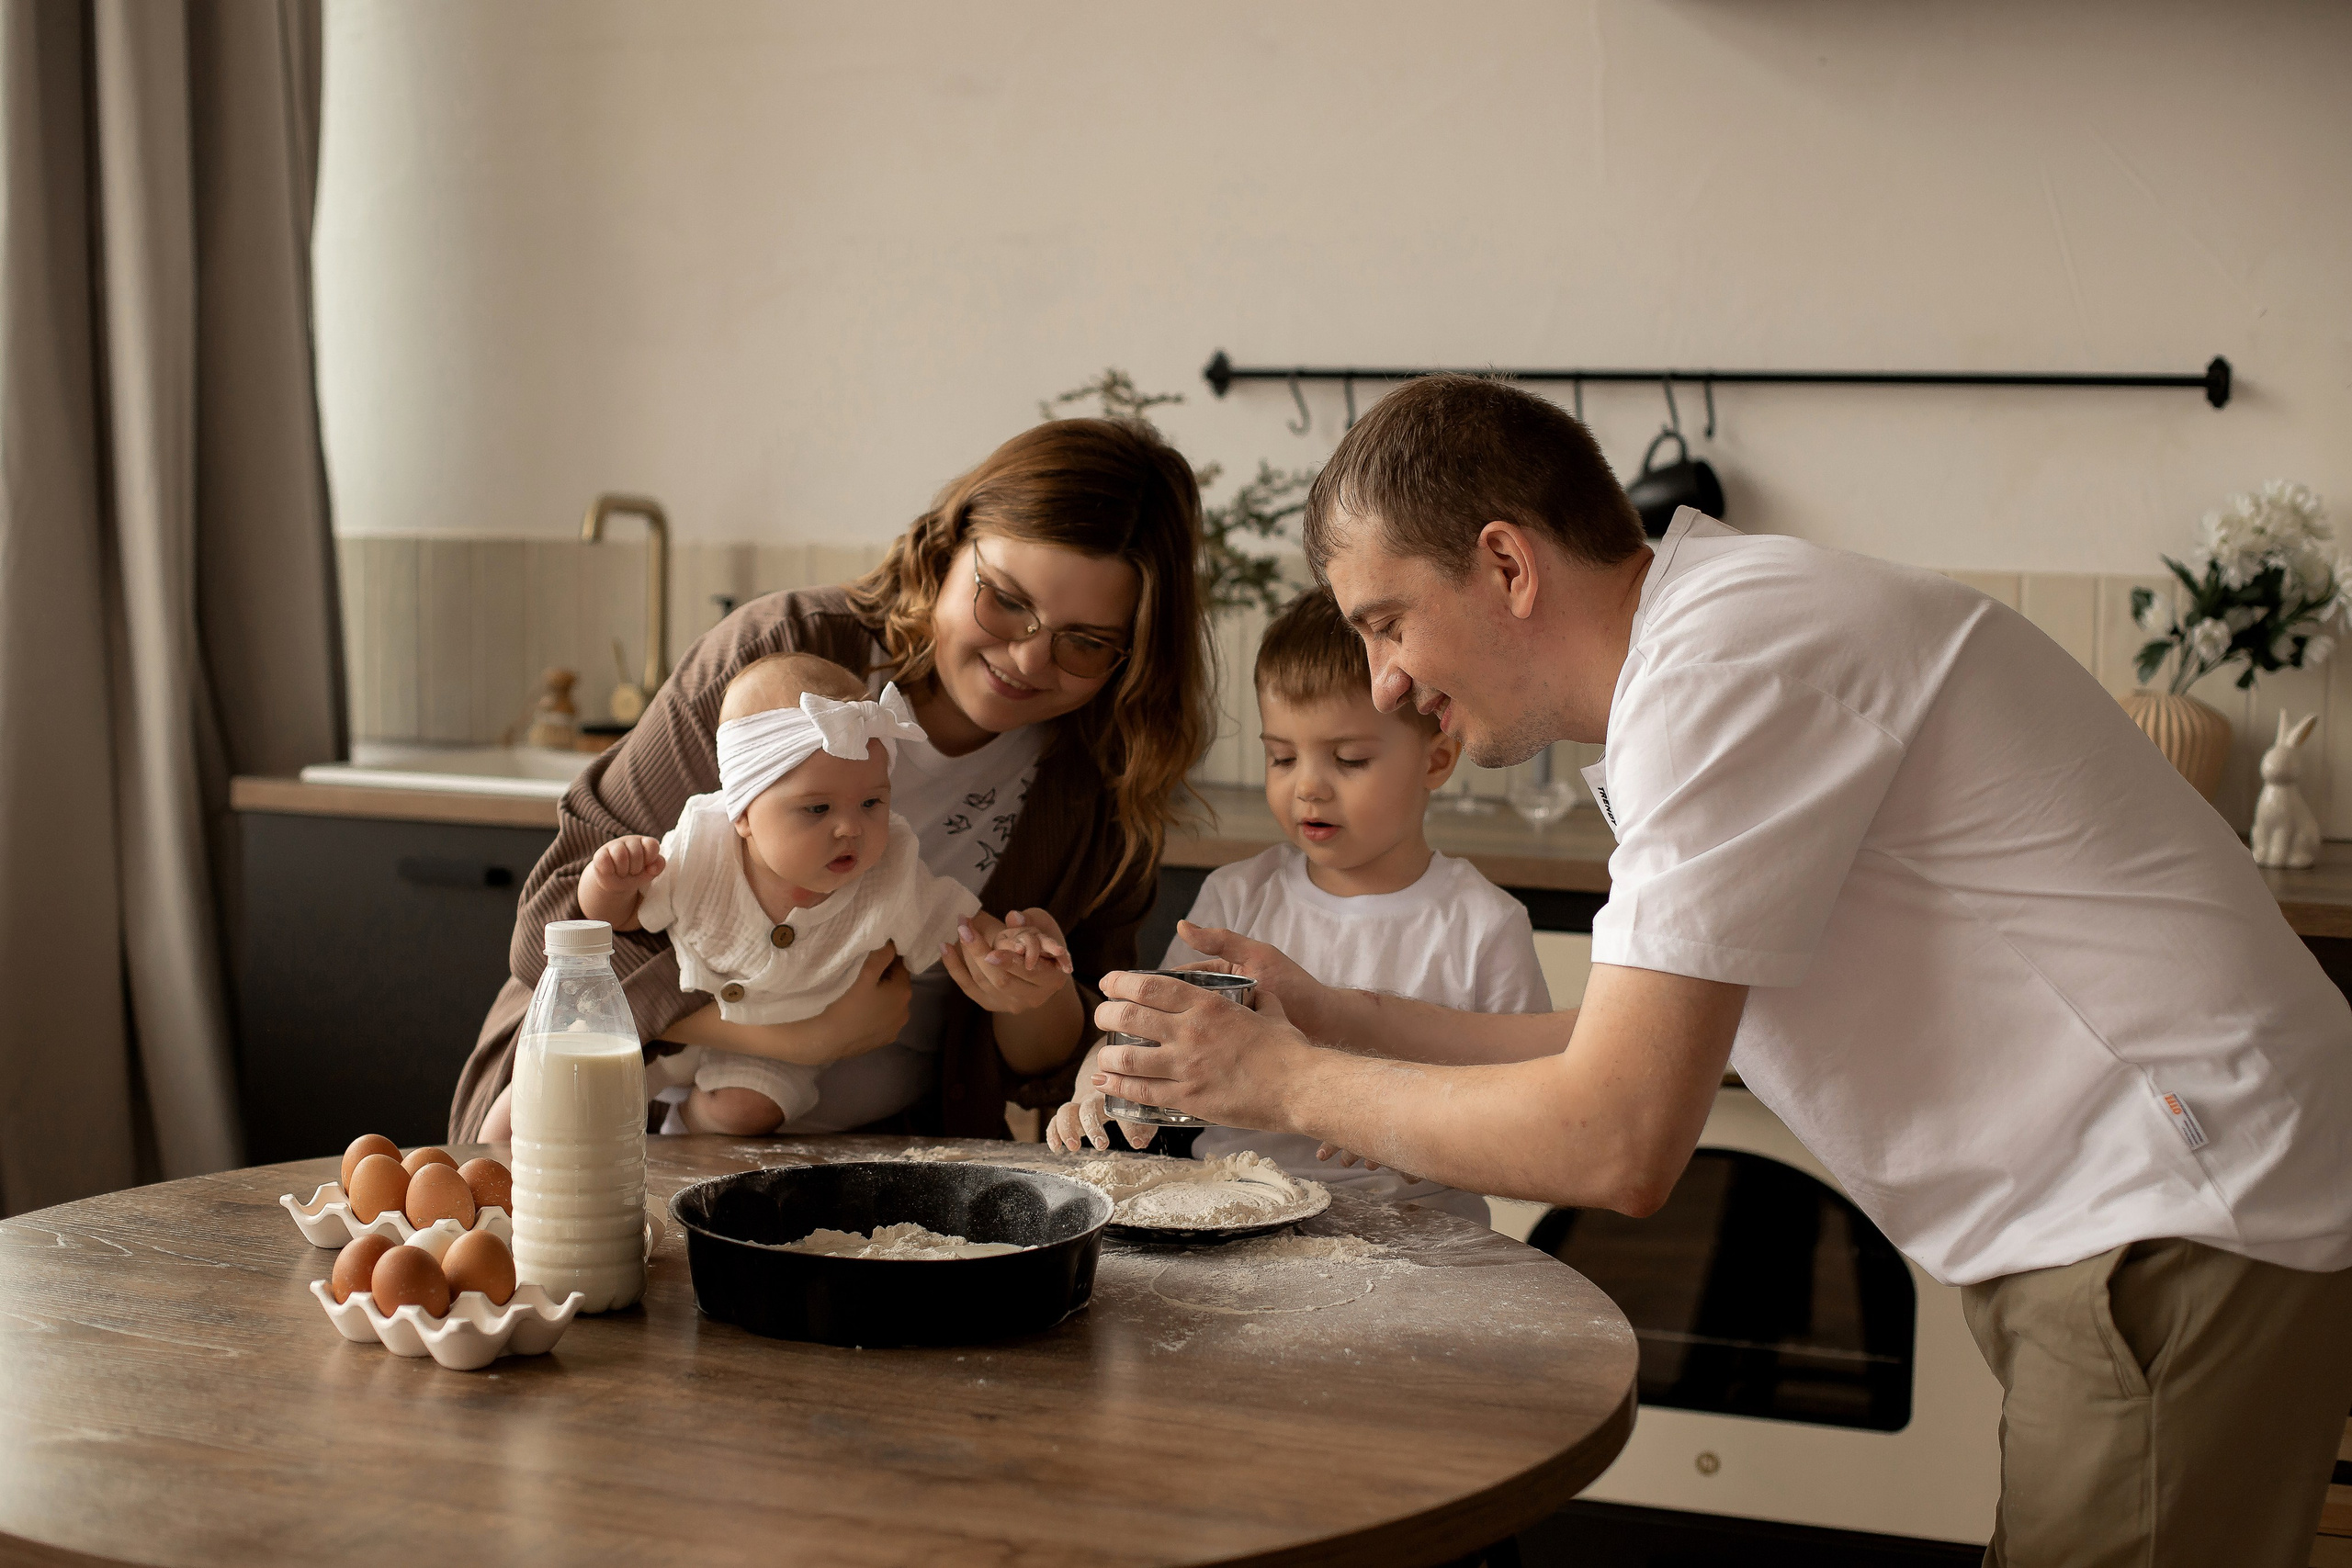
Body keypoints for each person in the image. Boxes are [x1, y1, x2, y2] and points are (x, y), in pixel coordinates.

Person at [1090, 374, 2352, 1567]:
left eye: (1386, 621)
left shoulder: (1724, 670)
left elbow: (1617, 1135)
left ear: (1508, 564)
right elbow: (1629, 1042)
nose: (1387, 680)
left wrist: (1283, 1080)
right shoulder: (1721, 641)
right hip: (2144, 1220)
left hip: (2176, 1213)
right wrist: (1335, 1013)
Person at [450, 417, 1213, 1144]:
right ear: (947, 549)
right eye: (1006, 600)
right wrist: (793, 1035)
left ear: (1133, 655)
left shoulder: (1111, 767)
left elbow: (1077, 1062)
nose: (1027, 659)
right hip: (595, 1115)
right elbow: (553, 922)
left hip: (872, 1173)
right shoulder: (778, 665)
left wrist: (1035, 997)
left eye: (1084, 643)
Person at [1047, 589, 1548, 1226]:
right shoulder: (1237, 899)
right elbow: (1156, 1039)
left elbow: (1528, 1111)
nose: (1307, 785)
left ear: (1437, 757)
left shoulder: (1483, 924)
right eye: (1281, 756)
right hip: (1237, 1213)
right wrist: (1099, 1081)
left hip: (1422, 1234)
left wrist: (1415, 1134)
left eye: (1349, 759)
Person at [478, 654, 1068, 1139]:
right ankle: (500, 1200)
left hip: (771, 1056)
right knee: (531, 1101)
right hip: (674, 1022)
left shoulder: (890, 877)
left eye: (872, 803)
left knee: (744, 1114)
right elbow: (617, 921)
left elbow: (960, 920)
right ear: (743, 815)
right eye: (817, 809)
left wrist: (1006, 942)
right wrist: (609, 883)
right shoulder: (701, 852)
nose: (852, 829)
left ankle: (672, 1136)